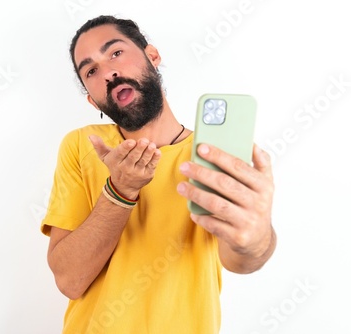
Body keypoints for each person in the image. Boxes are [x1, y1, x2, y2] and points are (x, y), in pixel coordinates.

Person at [40, 15, 276, 334]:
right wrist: (119, 193)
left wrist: (257, 238)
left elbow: (241, 258)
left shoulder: (210, 154)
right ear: (91, 98)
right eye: (91, 70)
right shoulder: (84, 145)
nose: (108, 71)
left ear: (153, 56)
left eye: (116, 53)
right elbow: (70, 280)